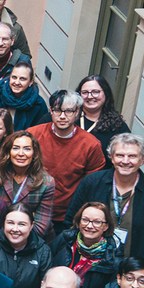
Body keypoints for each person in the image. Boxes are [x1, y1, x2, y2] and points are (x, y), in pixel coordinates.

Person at [67, 134, 144, 269]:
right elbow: (71, 220)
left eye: (132, 156)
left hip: (132, 270)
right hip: (89, 265)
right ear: (112, 157)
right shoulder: (92, 183)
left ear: (142, 159)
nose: (125, 161)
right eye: (120, 155)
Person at [30, 89, 107, 232]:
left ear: (77, 112)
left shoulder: (91, 145)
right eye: (58, 110)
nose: (63, 116)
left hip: (67, 217)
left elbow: (92, 186)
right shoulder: (33, 135)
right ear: (51, 112)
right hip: (32, 211)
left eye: (69, 111)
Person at [0, 130, 57, 237]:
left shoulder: (46, 182)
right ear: (8, 152)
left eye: (27, 149)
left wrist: (16, 238)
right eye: (16, 148)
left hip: (32, 242)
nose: (21, 153)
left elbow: (41, 226)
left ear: (34, 154)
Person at [52, 202, 123, 288]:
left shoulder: (113, 254)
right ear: (79, 221)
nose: (89, 226)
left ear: (106, 226)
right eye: (85, 220)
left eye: (97, 222)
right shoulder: (65, 239)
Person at [0, 202, 53, 288]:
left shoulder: (43, 252)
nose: (15, 229)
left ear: (31, 225)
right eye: (10, 223)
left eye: (22, 224)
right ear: (3, 223)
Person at [76, 75, 131, 167]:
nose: (90, 96)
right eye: (85, 92)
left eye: (96, 92)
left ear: (106, 94)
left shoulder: (117, 127)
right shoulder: (67, 117)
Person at [0, 61, 50, 132]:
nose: (17, 82)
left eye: (22, 79)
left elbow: (40, 131)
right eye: (14, 77)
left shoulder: (38, 104)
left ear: (30, 82)